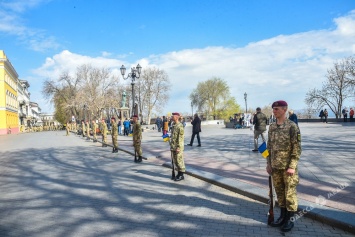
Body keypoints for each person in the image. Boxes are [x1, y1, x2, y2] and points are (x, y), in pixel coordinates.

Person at [266, 100, 301, 232]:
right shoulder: (272, 127)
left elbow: (297, 148)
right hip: (275, 167)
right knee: (280, 193)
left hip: (288, 168)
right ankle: (282, 217)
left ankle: (290, 220)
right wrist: (268, 163)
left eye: (277, 109)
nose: (274, 111)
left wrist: (292, 166)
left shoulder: (292, 126)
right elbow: (268, 147)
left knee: (290, 194)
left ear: (284, 109)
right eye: (273, 109)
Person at [170, 112, 186, 181]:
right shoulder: (174, 125)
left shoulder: (180, 126)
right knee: (175, 161)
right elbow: (173, 136)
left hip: (178, 147)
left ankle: (181, 174)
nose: (171, 117)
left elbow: (180, 138)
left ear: (177, 117)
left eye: (173, 116)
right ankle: (179, 173)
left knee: (179, 160)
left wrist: (178, 147)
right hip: (173, 146)